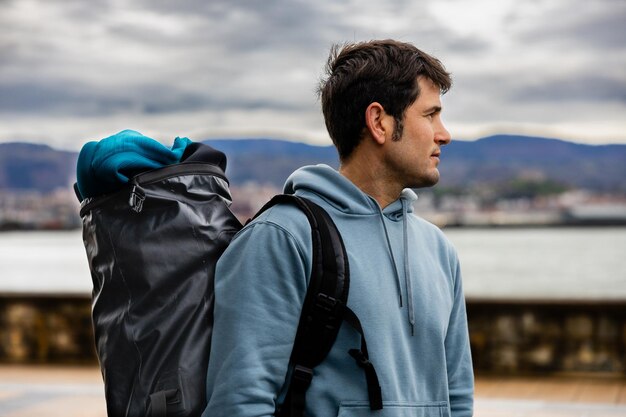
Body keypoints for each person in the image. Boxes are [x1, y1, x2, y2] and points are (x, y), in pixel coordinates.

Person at [202, 39, 474, 417]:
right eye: (430, 115)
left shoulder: (439, 250)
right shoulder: (283, 239)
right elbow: (239, 404)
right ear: (379, 121)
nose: (444, 134)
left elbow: (457, 397)